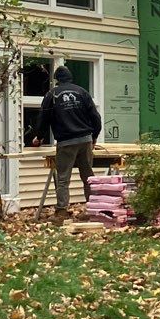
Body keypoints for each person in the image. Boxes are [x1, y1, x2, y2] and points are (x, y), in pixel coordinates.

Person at [31, 64, 102, 215]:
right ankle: (93, 210)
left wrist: (39, 137)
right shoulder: (82, 92)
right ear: (70, 78)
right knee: (88, 176)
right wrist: (94, 136)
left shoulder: (52, 95)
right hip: (85, 140)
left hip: (66, 143)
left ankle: (61, 212)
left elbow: (44, 117)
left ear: (56, 80)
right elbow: (95, 117)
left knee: (63, 179)